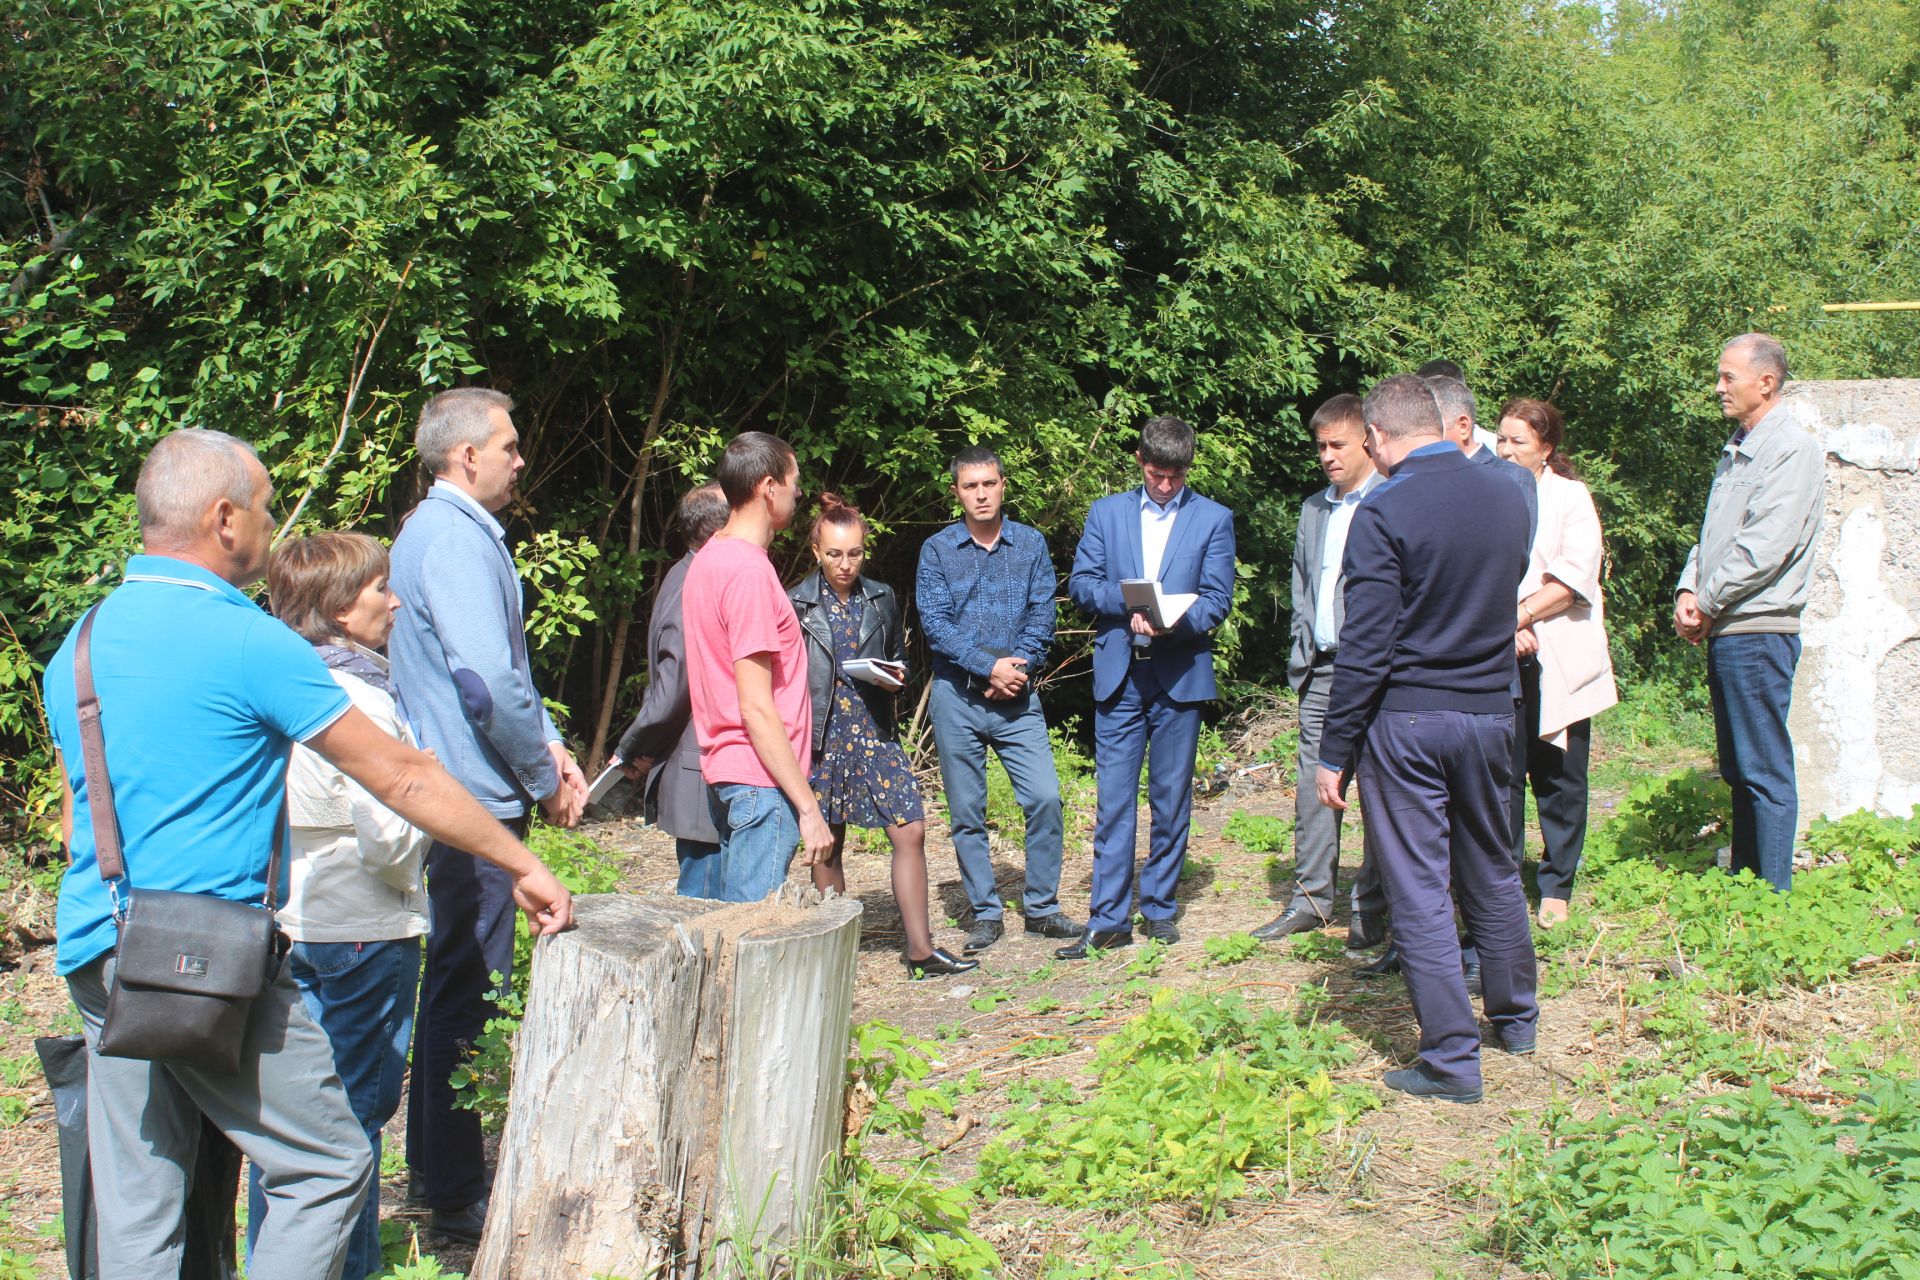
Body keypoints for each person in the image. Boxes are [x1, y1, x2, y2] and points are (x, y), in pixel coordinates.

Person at [43, 429, 571, 1278]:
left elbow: (82, 813)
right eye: (262, 506)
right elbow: (400, 776)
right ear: (223, 519)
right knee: (326, 1165)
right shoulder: (248, 640)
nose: (269, 524)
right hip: (208, 960)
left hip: (100, 952)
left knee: (142, 1201)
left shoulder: (83, 640)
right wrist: (520, 861)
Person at [388, 387, 588, 1243]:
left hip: (471, 786)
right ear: (466, 456)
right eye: (508, 445)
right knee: (469, 991)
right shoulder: (451, 541)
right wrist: (542, 772)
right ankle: (456, 1192)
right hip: (468, 800)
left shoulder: (447, 535)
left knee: (457, 989)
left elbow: (506, 672)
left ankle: (439, 1170)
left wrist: (553, 746)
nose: (519, 458)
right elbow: (484, 683)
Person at [1317, 375, 1536, 1104]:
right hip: (1490, 712)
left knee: (1418, 888)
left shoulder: (1382, 512)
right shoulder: (1510, 495)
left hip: (1408, 721)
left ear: (1377, 437)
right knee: (1493, 869)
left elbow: (1367, 647)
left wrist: (1334, 750)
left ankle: (1450, 1058)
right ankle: (1516, 1018)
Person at [249, 531, 434, 1280]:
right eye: (379, 589)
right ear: (337, 607)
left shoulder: (276, 682)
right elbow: (390, 839)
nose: (393, 601)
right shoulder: (357, 697)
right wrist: (432, 808)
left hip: (294, 924)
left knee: (293, 1131)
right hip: (363, 930)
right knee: (350, 1129)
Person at [1061, 416, 1238, 958]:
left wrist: (1170, 620)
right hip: (1121, 674)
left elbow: (1216, 599)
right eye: (1158, 473)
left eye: (1177, 475)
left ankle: (1159, 907)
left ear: (1189, 467)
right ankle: (1108, 917)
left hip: (1179, 673)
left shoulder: (1214, 519)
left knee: (1170, 796)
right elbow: (1082, 585)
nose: (1166, 485)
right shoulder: (1106, 513)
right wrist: (1134, 606)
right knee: (1113, 800)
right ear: (1140, 462)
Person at [792, 495, 978, 977]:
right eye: (834, 553)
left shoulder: (882, 597)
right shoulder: (796, 603)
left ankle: (920, 949)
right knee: (828, 841)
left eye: (854, 553)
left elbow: (900, 660)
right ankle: (832, 956)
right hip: (823, 733)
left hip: (874, 730)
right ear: (816, 550)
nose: (845, 564)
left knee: (910, 828)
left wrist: (895, 678)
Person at [1674, 333, 1825, 892]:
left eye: (1727, 377)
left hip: (1758, 627)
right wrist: (1688, 593)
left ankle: (1773, 897)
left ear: (1766, 382)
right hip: (1730, 623)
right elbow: (1713, 537)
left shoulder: (1791, 450)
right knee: (1739, 768)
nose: (1718, 388)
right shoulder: (1740, 446)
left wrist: (1707, 603)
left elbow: (1764, 547)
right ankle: (1748, 883)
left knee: (1763, 769)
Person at [916, 445, 1078, 954]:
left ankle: (1042, 908)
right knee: (967, 812)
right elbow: (936, 625)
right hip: (956, 697)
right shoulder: (937, 550)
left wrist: (1017, 667)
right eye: (971, 486)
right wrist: (987, 667)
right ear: (956, 492)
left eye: (989, 484)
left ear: (1003, 485)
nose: (981, 494)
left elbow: (1042, 614)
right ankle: (985, 913)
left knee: (1045, 798)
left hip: (1018, 696)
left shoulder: (1030, 544)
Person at [1257, 394, 1387, 948]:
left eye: (1337, 445)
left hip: (1378, 671)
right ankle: (1310, 901)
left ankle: (1372, 908)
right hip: (1321, 669)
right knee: (1315, 787)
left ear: (1366, 440)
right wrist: (1302, 647)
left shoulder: (1392, 498)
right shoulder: (1314, 508)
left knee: (1380, 789)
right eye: (1320, 447)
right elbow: (1303, 585)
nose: (1327, 457)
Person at [682, 431, 835, 899]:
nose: (798, 494)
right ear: (769, 488)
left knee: (734, 936)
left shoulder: (708, 559)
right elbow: (756, 707)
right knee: (754, 947)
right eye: (795, 484)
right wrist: (808, 808)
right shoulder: (747, 571)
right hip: (760, 782)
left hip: (731, 777)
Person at [1496, 399, 1619, 926]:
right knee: (1502, 771)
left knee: (1559, 772)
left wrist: (1517, 618)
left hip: (1557, 653)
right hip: (1500, 652)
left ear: (1546, 448)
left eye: (1518, 441)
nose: (1505, 449)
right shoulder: (1489, 494)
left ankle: (1556, 884)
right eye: (1500, 439)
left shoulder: (1570, 497)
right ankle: (1500, 880)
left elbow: (1571, 580)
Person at [611, 483, 729, 896]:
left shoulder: (687, 572)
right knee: (706, 912)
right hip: (699, 774)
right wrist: (633, 746)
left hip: (697, 770)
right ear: (721, 528)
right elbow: (675, 683)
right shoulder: (694, 583)